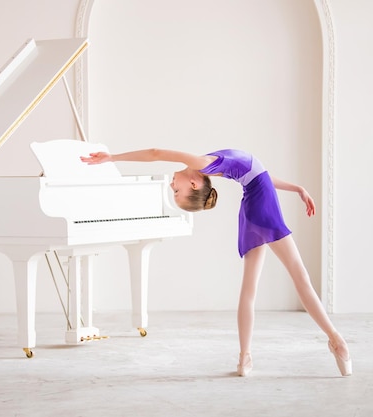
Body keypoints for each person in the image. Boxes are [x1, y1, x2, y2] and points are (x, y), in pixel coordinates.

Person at [81, 148, 352, 377]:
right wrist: (112, 158)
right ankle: (336, 341)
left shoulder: (209, 167)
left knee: (250, 289)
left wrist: (297, 188)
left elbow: (260, 175)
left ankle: (245, 357)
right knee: (299, 277)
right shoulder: (205, 166)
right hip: (261, 209)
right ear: (195, 184)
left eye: (174, 191)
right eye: (177, 191)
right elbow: (157, 153)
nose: (172, 185)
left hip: (251, 211)